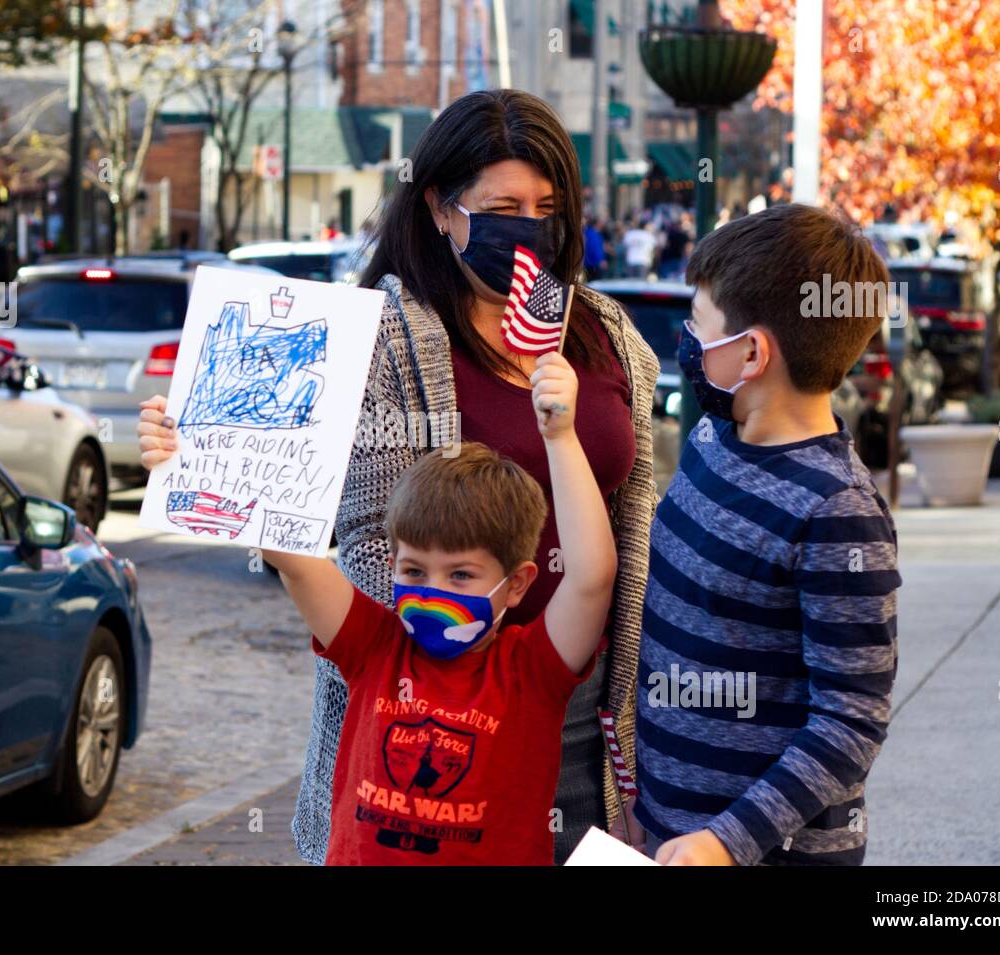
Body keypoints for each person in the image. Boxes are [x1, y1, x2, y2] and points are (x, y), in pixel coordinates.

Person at [137, 88, 659, 865]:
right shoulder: (382, 337)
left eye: (547, 206)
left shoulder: (605, 330)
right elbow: (341, 540)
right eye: (503, 204)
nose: (528, 226)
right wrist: (201, 455)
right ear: (444, 211)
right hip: (420, 705)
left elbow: (622, 536)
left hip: (577, 701)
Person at [254, 356, 616, 864]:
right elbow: (288, 554)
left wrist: (560, 437)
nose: (431, 593)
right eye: (414, 571)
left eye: (461, 575)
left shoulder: (531, 670)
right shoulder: (373, 647)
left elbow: (592, 576)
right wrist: (188, 450)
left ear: (517, 585)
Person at [634, 203, 901, 865]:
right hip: (671, 830)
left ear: (751, 352)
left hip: (772, 853)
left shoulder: (838, 510)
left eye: (699, 325)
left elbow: (851, 716)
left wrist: (727, 840)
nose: (688, 340)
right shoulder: (709, 438)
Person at [583, 215, 606, 280]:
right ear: (597, 223)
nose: (603, 224)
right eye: (601, 222)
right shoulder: (592, 234)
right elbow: (594, 249)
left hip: (592, 264)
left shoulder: (594, 233)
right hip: (593, 266)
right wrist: (600, 261)